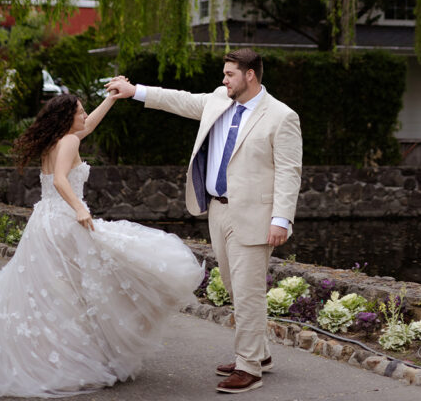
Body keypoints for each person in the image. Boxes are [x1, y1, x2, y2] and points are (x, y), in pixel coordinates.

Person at [0, 90, 203, 399]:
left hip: (43, 222)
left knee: (53, 291)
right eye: (80, 110)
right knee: (88, 282)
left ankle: (52, 353)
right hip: (65, 221)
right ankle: (67, 358)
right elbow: (62, 180)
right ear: (67, 117)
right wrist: (79, 208)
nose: (84, 114)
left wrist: (112, 100)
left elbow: (87, 128)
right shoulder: (69, 141)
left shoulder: (56, 140)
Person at [106, 47, 303, 395]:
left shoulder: (282, 116)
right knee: (232, 285)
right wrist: (135, 91)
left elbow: (289, 172)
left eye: (230, 74)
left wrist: (281, 219)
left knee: (247, 292)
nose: (223, 79)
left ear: (250, 75)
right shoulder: (219, 99)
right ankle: (260, 354)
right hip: (218, 210)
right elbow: (180, 100)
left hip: (255, 217)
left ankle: (249, 367)